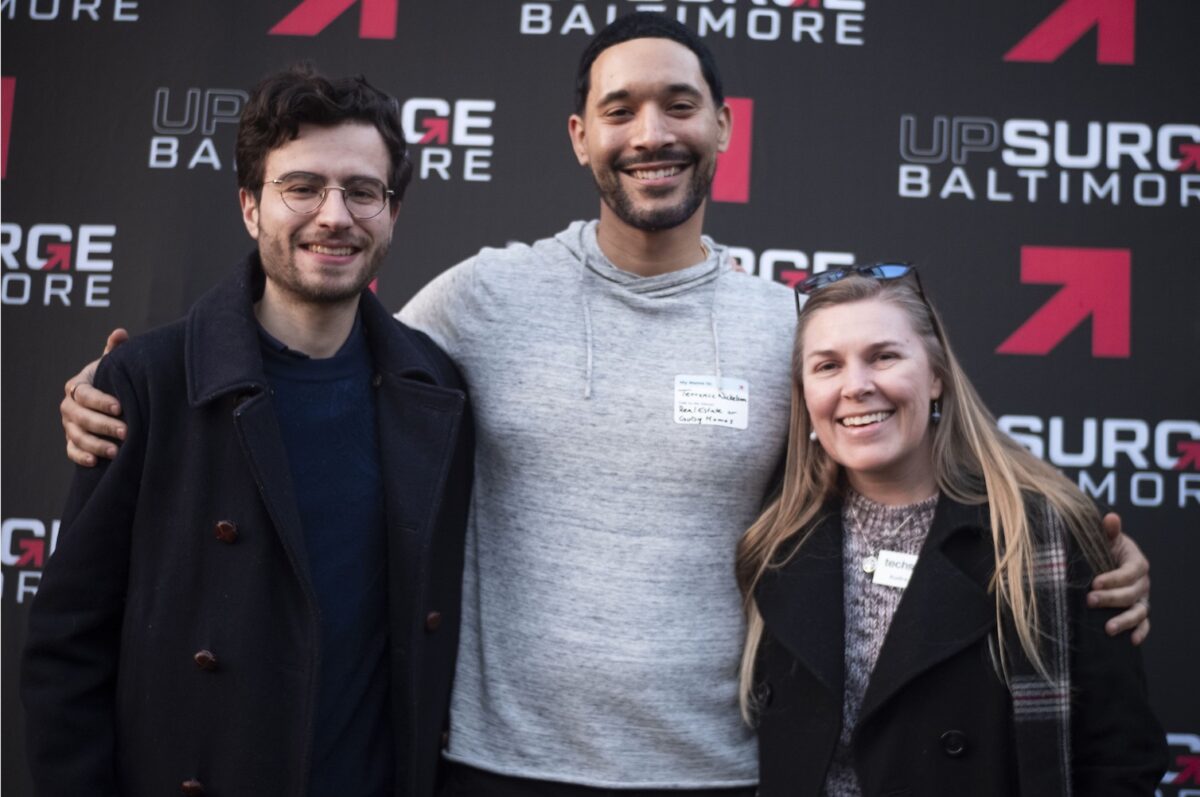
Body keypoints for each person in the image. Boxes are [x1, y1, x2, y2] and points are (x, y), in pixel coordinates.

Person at [55, 14, 1152, 796]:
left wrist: (1083, 558)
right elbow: (312, 365)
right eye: (617, 108)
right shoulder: (480, 297)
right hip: (489, 766)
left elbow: (934, 461)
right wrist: (136, 382)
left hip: (721, 769)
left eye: (680, 105)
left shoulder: (790, 328)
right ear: (579, 136)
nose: (650, 131)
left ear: (726, 126)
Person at [22, 66, 473, 797]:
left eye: (363, 191)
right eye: (302, 186)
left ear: (393, 212)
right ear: (249, 207)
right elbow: (67, 648)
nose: (335, 215)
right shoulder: (149, 382)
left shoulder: (438, 389)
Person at [736, 265, 1166, 796]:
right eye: (828, 366)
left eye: (884, 356)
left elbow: (1122, 757)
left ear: (936, 375)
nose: (856, 386)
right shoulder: (778, 540)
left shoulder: (1042, 535)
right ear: (804, 395)